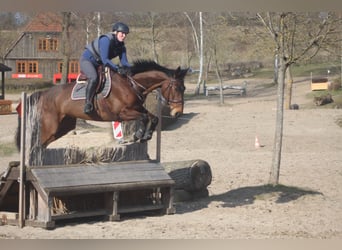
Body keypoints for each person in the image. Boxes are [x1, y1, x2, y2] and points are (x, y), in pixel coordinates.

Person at [80, 22, 131, 114]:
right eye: (122, 33)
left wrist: (134, 70)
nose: (124, 36)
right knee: (94, 77)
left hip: (99, 64)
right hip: (87, 61)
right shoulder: (106, 40)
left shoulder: (122, 47)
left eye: (125, 34)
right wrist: (117, 68)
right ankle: (87, 103)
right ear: (115, 32)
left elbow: (124, 62)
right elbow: (105, 60)